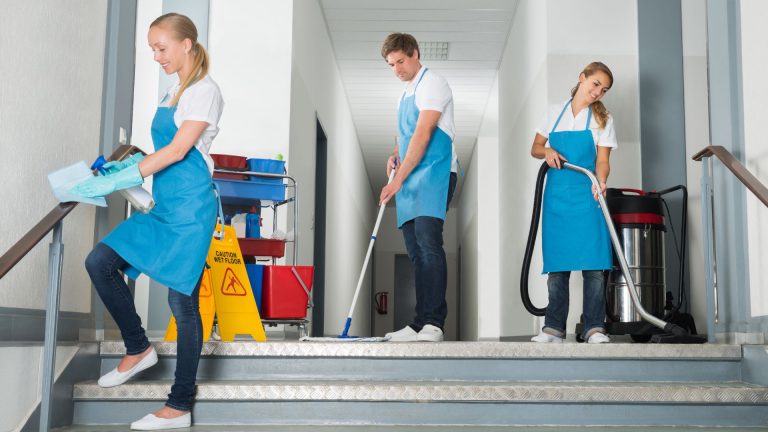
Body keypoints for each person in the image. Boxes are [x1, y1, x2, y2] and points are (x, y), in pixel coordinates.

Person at [71, 13, 223, 430]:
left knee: (181, 302)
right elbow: (158, 153)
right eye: (152, 49)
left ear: (186, 44)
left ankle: (179, 405)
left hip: (191, 209)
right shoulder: (173, 92)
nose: (157, 56)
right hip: (164, 204)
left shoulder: (204, 92)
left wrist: (129, 174)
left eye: (162, 47)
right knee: (100, 261)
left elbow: (177, 151)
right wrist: (128, 166)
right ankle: (138, 347)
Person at [379, 33, 459, 342]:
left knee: (428, 245)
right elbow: (405, 135)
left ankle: (434, 323)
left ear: (415, 54)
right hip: (411, 177)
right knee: (415, 252)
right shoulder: (403, 95)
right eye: (391, 64)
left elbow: (424, 134)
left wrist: (397, 182)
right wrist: (395, 154)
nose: (397, 69)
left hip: (436, 173)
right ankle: (418, 323)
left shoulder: (433, 84)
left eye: (400, 61)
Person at [529, 62, 617, 344]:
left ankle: (593, 328)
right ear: (582, 78)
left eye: (603, 90)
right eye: (595, 84)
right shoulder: (554, 112)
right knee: (558, 266)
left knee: (594, 266)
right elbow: (534, 148)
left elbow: (603, 161)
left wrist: (600, 182)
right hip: (556, 197)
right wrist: (548, 150)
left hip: (588, 193)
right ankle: (553, 328)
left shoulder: (604, 120)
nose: (597, 92)